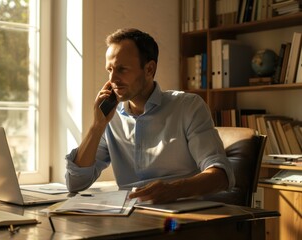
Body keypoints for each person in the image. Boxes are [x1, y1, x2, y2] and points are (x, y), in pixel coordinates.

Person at [65, 28, 235, 204]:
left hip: (181, 216)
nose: (113, 79)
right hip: (128, 217)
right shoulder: (110, 117)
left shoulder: (188, 107)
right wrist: (97, 126)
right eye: (110, 69)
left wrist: (173, 190)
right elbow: (75, 183)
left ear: (149, 69)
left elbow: (221, 175)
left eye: (122, 69)